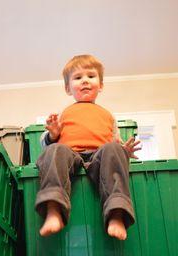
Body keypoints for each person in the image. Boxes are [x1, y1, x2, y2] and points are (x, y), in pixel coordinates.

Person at [35, 54, 141, 240]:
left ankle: (116, 214)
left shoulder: (107, 115)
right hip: (70, 154)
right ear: (68, 88)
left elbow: (114, 144)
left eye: (91, 76)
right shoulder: (64, 113)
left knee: (113, 150)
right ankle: (53, 210)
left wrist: (125, 151)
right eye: (78, 78)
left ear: (100, 85)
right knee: (54, 151)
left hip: (98, 156)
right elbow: (45, 145)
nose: (85, 81)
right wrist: (53, 134)